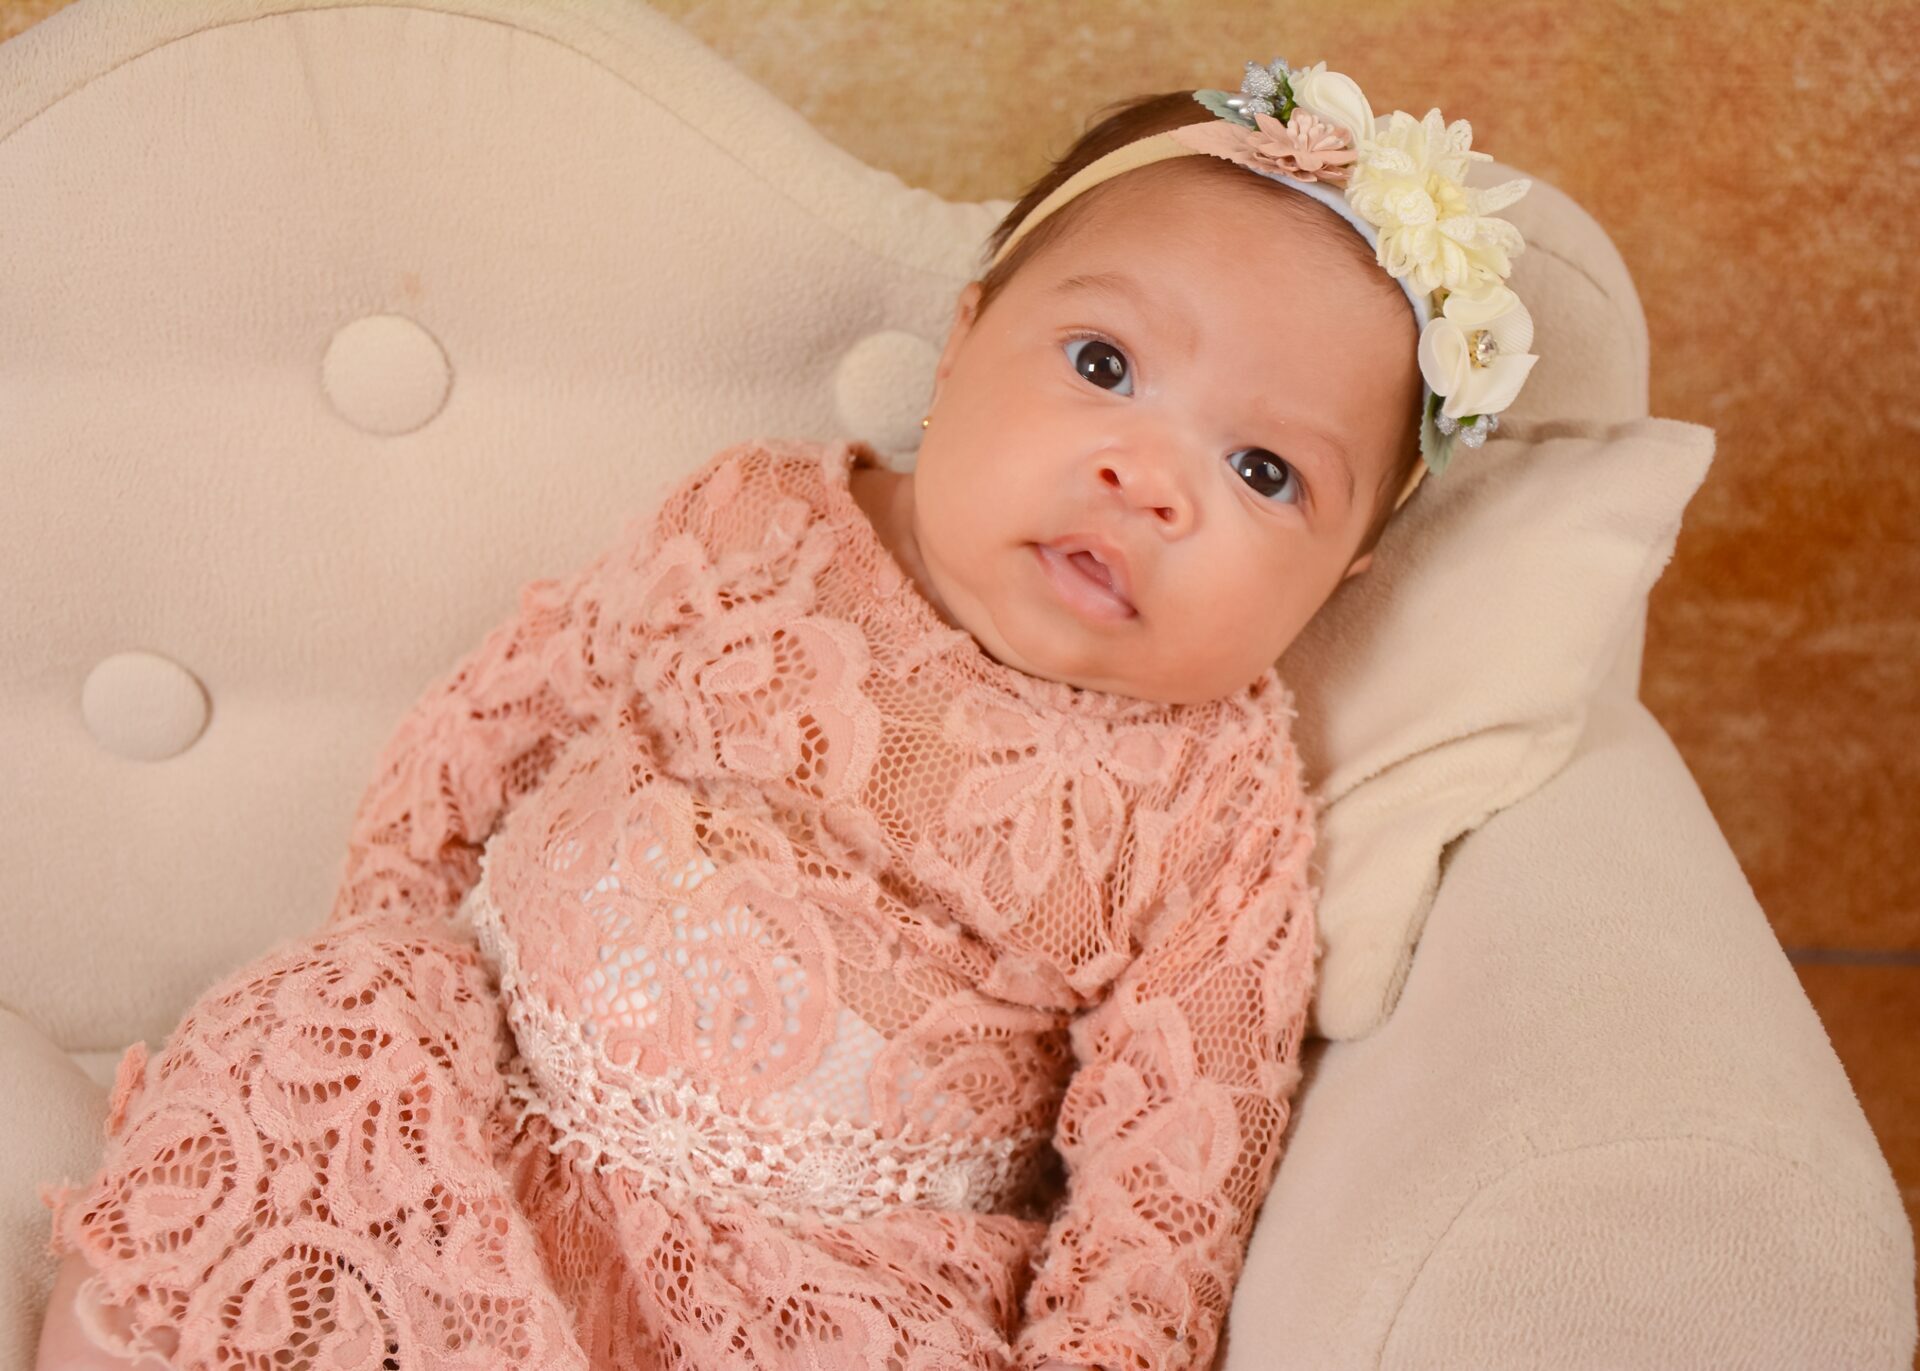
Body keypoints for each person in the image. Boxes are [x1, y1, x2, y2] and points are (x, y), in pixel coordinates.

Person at [35, 53, 1536, 1371]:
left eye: (1265, 472)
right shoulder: (761, 525)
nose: (1148, 480)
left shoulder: (1214, 801)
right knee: (297, 1055)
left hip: (812, 1280)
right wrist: (397, 944)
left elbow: (1174, 1169)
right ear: (962, 343)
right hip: (482, 1084)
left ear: (1341, 576)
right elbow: (499, 716)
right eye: (1104, 366)